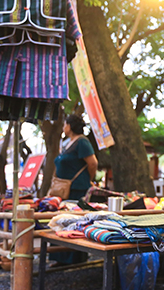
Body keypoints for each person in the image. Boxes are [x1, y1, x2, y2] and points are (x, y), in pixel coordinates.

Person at [50, 114, 97, 266]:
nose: (63, 127)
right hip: (64, 189)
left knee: (75, 222)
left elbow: (93, 163)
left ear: (69, 126)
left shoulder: (82, 142)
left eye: (65, 124)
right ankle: (60, 257)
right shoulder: (66, 143)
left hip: (78, 188)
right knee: (61, 221)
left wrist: (88, 180)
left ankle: (75, 259)